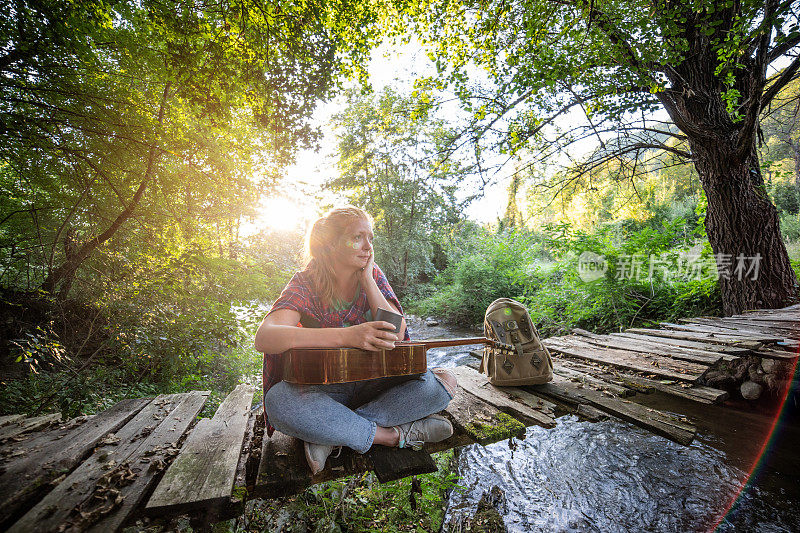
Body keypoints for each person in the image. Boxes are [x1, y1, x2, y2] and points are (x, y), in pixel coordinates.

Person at [254, 206, 458, 475]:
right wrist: (348, 335)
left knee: (440, 385)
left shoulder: (373, 275)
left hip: (373, 385)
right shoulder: (305, 282)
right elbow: (266, 337)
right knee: (279, 402)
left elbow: (397, 334)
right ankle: (394, 436)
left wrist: (368, 282)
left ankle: (330, 435)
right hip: (325, 392)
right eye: (357, 237)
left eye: (370, 238)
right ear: (332, 244)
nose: (367, 247)